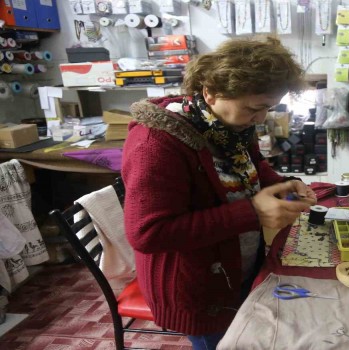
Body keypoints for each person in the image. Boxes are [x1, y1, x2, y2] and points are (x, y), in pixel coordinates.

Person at [121, 37, 317, 349]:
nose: (261, 118)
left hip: (236, 268)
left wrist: (282, 184)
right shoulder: (156, 144)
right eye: (255, 108)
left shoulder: (230, 127)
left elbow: (252, 164)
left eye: (269, 108)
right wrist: (252, 212)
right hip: (196, 289)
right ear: (210, 92)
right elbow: (148, 233)